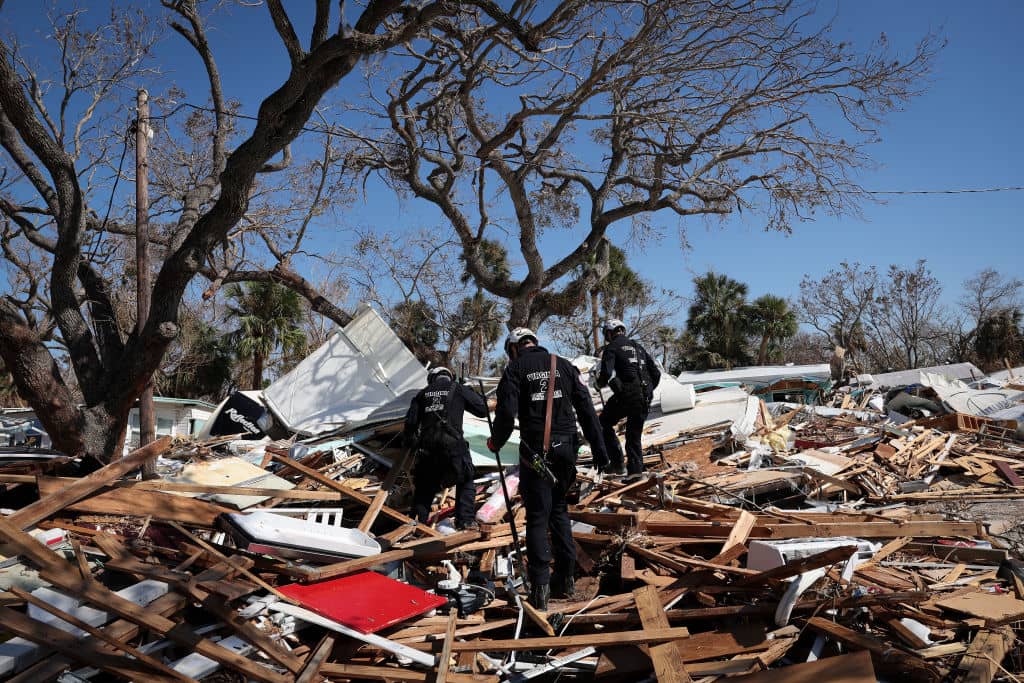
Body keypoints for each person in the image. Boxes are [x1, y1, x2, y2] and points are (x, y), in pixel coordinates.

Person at [487, 328, 608, 609]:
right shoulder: (564, 365)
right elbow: (587, 408)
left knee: (538, 518)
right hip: (567, 448)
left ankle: (540, 589)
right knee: (559, 511)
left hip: (535, 452)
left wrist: (496, 442)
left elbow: (506, 412)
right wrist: (600, 449)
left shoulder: (516, 369)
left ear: (515, 348)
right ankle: (566, 580)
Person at [404, 366, 488, 530]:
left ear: (432, 379)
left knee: (424, 489)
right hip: (453, 445)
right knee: (465, 480)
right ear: (450, 377)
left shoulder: (421, 394)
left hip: (428, 449)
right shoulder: (459, 389)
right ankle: (465, 522)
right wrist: (468, 390)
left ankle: (416, 526)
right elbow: (482, 409)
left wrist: (413, 447)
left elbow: (410, 425)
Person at [596, 319, 661, 476]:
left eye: (606, 335)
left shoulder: (612, 347)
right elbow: (656, 374)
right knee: (633, 436)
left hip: (628, 395)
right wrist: (647, 391)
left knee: (603, 422)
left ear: (610, 333)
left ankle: (617, 464)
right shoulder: (639, 348)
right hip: (644, 397)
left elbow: (606, 373)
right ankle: (635, 473)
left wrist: (599, 384)